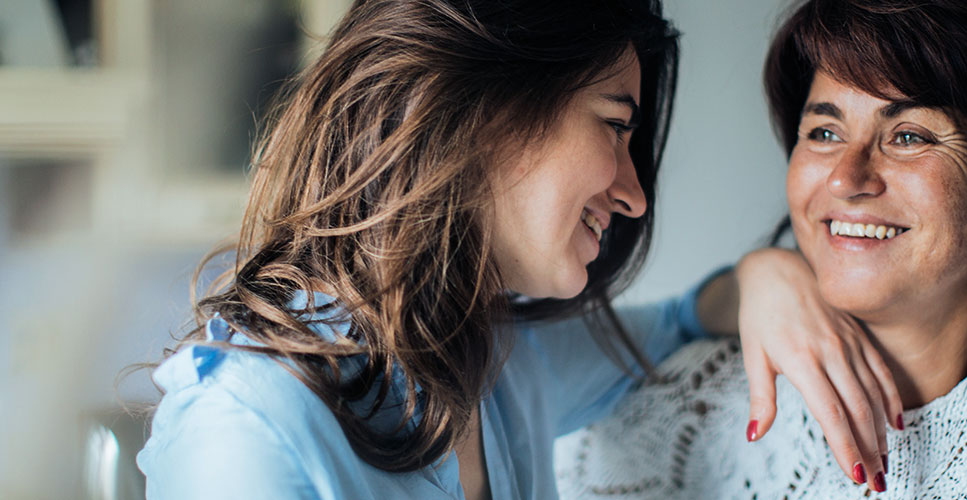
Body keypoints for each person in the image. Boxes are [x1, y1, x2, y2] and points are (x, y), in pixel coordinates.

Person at [136, 0, 899, 498]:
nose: (635, 194)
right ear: (485, 114)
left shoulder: (492, 363)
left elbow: (675, 323)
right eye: (614, 124)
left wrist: (767, 275)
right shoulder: (244, 427)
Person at [556, 0, 967, 498]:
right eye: (823, 132)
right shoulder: (692, 410)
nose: (846, 178)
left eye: (908, 136)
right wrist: (758, 272)